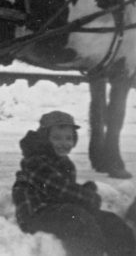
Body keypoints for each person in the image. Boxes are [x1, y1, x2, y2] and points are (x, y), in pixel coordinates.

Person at [12, 110, 136, 256]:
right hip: (35, 214)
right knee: (79, 219)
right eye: (56, 138)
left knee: (109, 220)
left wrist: (85, 190)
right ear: (45, 139)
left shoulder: (65, 163)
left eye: (69, 138)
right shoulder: (36, 160)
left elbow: (65, 192)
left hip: (59, 210)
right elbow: (60, 190)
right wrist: (89, 196)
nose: (64, 143)